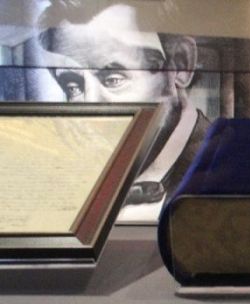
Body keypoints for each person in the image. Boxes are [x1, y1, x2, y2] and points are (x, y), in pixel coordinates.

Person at [37, 1, 210, 221]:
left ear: (180, 64)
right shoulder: (65, 180)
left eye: (113, 79)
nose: (91, 106)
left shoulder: (231, 170)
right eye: (73, 86)